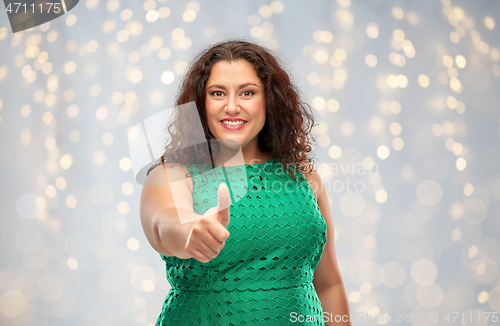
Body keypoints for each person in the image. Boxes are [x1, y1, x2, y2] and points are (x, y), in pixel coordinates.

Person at [140, 40, 351, 325]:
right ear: (201, 103)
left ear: (269, 99)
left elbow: (328, 284)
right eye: (217, 93)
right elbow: (163, 222)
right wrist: (190, 230)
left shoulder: (303, 174)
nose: (231, 106)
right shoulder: (174, 174)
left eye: (247, 93)